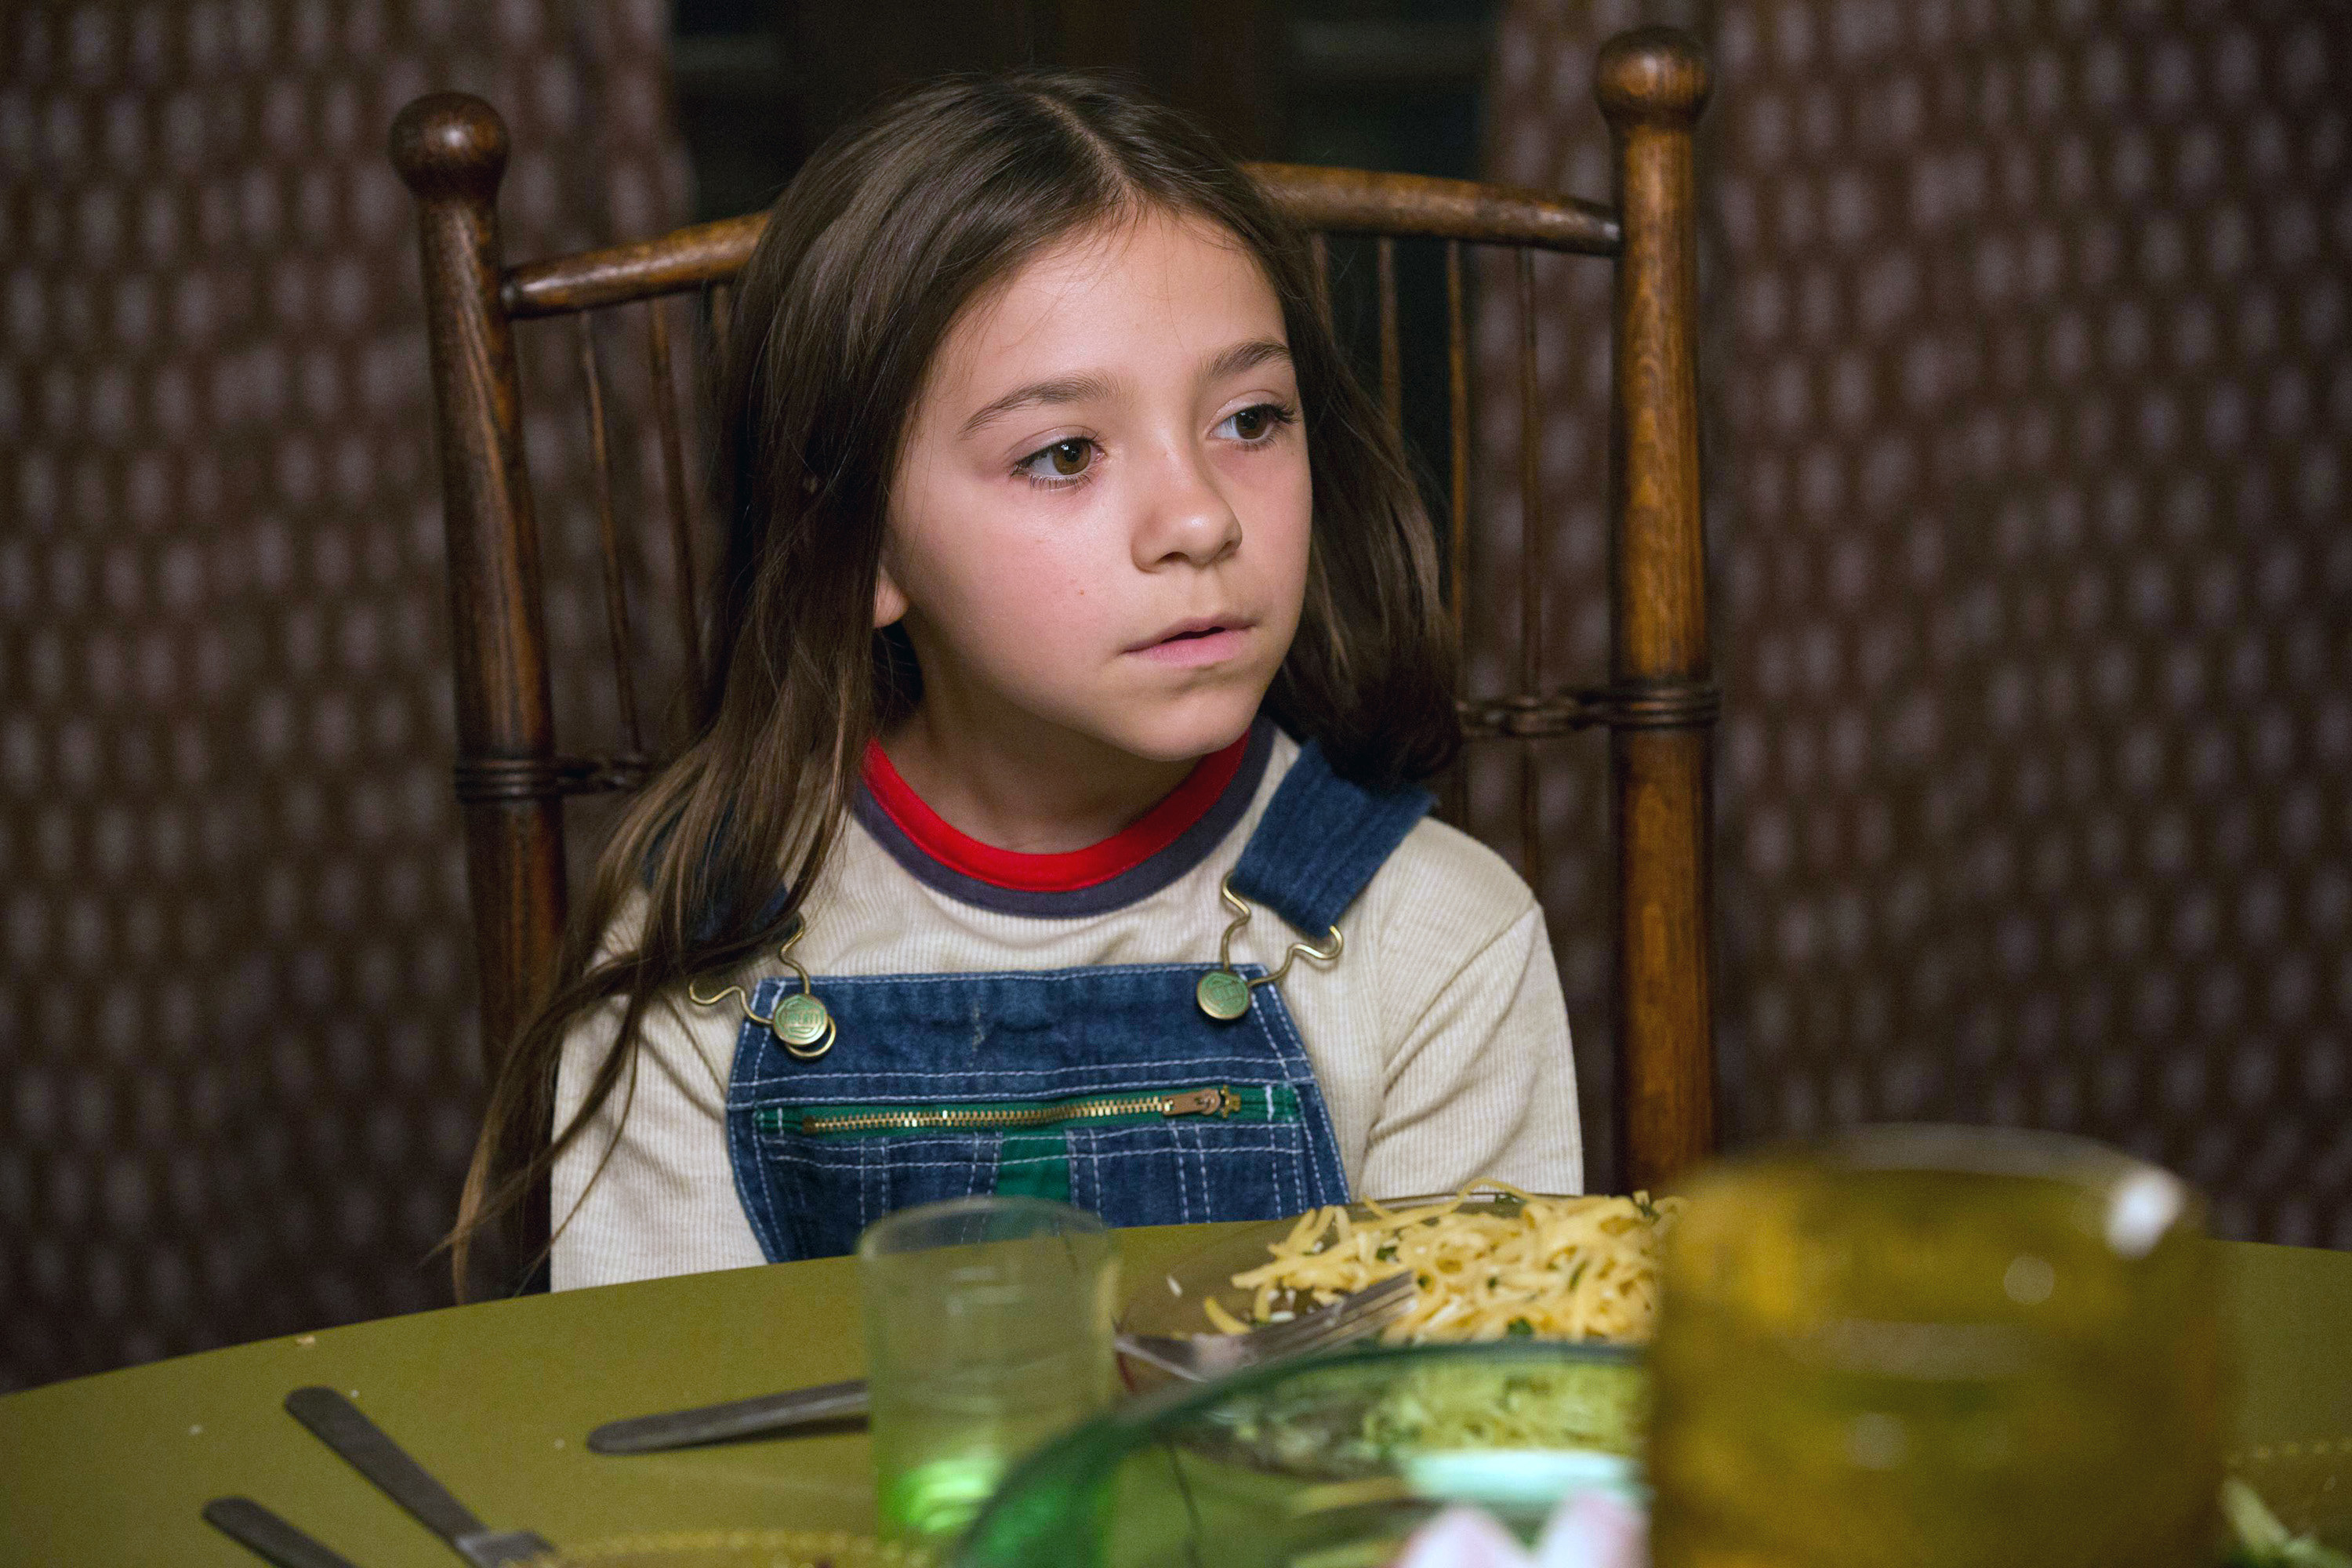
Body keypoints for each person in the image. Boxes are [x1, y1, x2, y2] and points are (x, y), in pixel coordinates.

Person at [452, 72, 1583, 1292]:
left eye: (1250, 421)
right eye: (1064, 454)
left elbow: (1464, 1432)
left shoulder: (1438, 947)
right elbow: (666, 1435)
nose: (1200, 517)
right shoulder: (707, 953)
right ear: (865, 550)